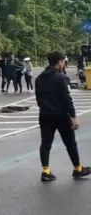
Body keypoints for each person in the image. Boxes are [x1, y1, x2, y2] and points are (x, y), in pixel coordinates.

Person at [36, 52, 91, 181]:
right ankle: (78, 169)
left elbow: (38, 99)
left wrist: (45, 108)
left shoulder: (39, 78)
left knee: (45, 143)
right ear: (59, 62)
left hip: (44, 115)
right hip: (61, 115)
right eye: (63, 62)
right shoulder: (62, 78)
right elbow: (67, 99)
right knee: (70, 143)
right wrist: (73, 117)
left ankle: (46, 171)